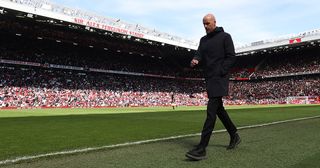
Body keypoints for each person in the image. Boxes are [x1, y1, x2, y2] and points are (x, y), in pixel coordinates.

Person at [185, 13, 241, 161]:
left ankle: (202, 148)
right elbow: (199, 54)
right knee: (219, 110)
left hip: (220, 78)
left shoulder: (225, 37)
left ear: (215, 22)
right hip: (209, 78)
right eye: (203, 24)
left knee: (211, 112)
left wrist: (222, 70)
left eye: (208, 23)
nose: (205, 26)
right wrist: (195, 60)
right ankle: (234, 134)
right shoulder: (203, 40)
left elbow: (231, 57)